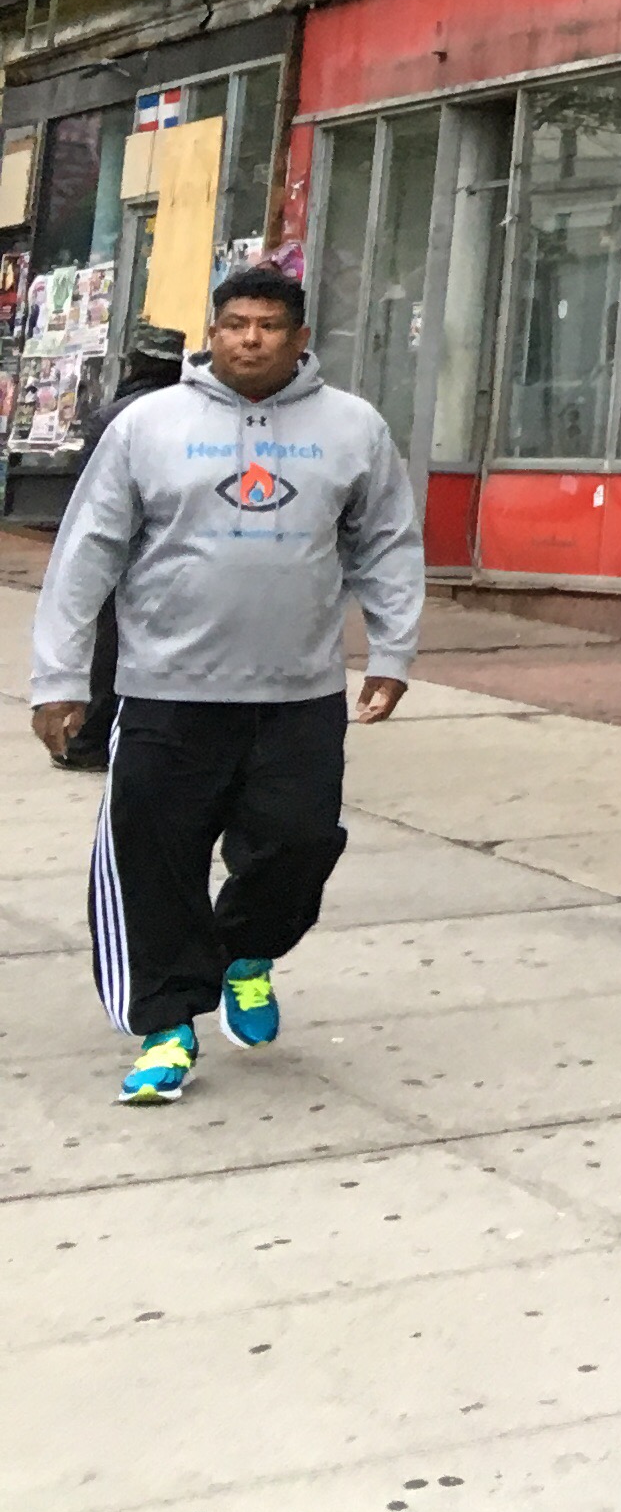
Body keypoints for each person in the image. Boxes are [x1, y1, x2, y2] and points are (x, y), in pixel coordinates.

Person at [26, 266, 419, 1106]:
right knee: (155, 863)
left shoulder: (353, 427)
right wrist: (58, 676)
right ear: (213, 332)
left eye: (269, 326)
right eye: (236, 323)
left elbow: (386, 542)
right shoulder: (148, 426)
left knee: (299, 844)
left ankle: (245, 952)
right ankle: (167, 1026)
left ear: (299, 338)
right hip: (167, 693)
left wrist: (393, 652)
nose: (250, 338)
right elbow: (86, 552)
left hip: (299, 694)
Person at [50, 325, 191, 773]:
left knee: (109, 645)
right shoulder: (196, 413)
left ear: (135, 365)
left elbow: (91, 493)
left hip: (127, 549)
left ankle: (93, 740)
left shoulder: (117, 417)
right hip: (179, 550)